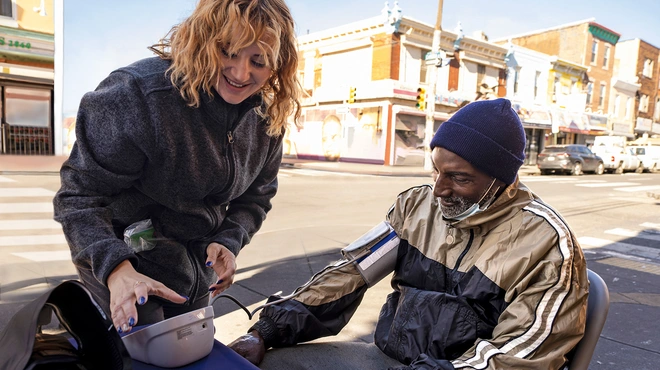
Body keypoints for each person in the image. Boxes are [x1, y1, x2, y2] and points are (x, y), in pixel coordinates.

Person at [229, 98, 589, 369]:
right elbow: (352, 273)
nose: (439, 190)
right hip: (388, 357)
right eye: (436, 171)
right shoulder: (416, 208)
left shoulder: (545, 243)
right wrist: (266, 330)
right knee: (270, 363)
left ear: (502, 179)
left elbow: (522, 353)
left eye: (459, 178)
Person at [53, 0, 300, 335]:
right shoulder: (137, 95)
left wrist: (229, 240)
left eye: (259, 61)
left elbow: (255, 199)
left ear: (278, 66)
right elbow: (78, 197)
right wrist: (115, 268)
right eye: (228, 52)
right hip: (122, 267)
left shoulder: (267, 122)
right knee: (133, 356)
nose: (241, 74)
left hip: (197, 275)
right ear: (202, 41)